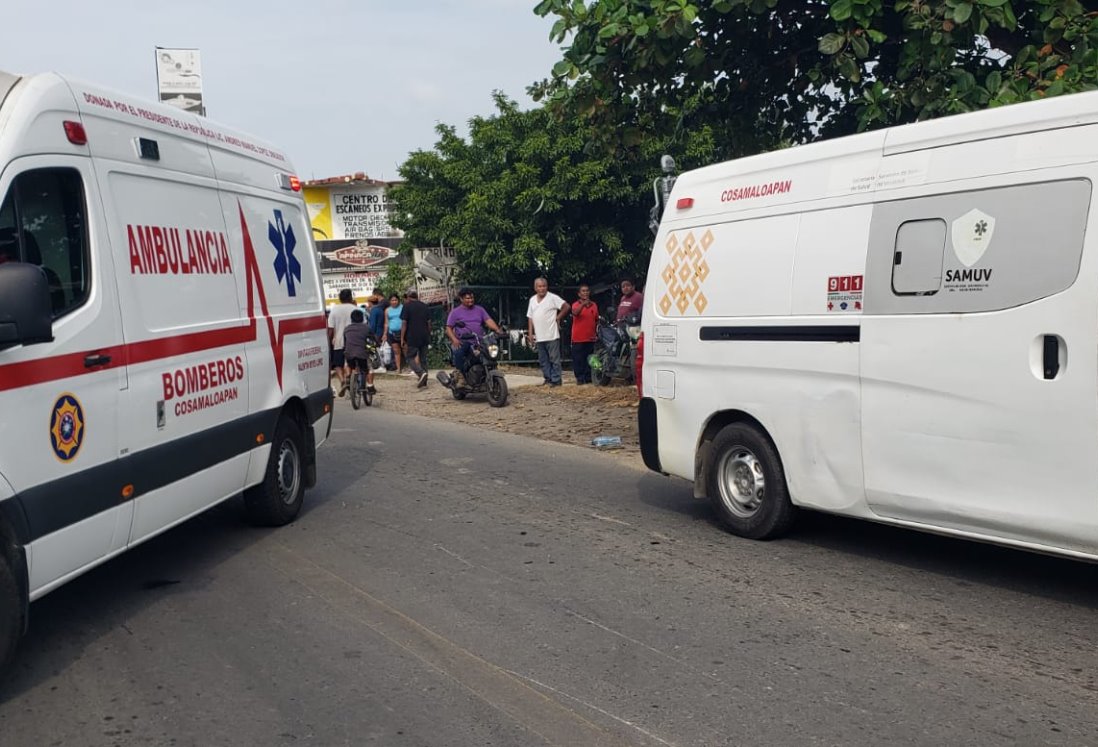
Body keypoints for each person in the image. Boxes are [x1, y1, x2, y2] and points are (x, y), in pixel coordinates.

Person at [446, 288, 503, 384]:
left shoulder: (479, 310)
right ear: (461, 299)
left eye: (472, 298)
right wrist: (454, 339)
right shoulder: (455, 312)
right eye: (467, 298)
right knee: (459, 352)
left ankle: (487, 374)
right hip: (464, 341)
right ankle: (460, 375)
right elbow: (448, 328)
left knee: (490, 353)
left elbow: (488, 320)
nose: (470, 300)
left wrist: (498, 330)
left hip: (479, 341)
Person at [526, 277, 568, 387]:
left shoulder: (552, 298)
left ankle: (556, 380)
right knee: (543, 360)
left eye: (544, 286)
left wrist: (558, 317)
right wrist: (530, 333)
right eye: (539, 286)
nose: (542, 288)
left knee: (554, 358)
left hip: (551, 334)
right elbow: (530, 317)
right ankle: (548, 378)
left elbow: (566, 306)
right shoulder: (532, 300)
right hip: (539, 335)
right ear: (535, 288)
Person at [327, 288, 357, 396]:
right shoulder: (354, 309)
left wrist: (328, 341)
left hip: (338, 341)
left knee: (337, 364)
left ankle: (342, 380)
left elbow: (330, 328)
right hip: (353, 341)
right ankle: (348, 376)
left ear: (340, 298)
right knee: (350, 362)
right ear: (350, 298)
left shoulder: (334, 310)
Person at [400, 289, 431, 388]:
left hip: (412, 336)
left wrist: (402, 338)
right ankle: (424, 380)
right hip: (424, 335)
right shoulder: (424, 306)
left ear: (409, 297)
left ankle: (421, 373)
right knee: (423, 358)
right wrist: (428, 333)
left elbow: (404, 323)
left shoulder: (407, 306)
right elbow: (429, 323)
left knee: (409, 357)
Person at [342, 309, 376, 396]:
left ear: (351, 319)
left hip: (349, 353)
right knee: (369, 369)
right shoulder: (366, 328)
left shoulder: (347, 328)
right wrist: (376, 345)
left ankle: (348, 377)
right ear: (362, 318)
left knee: (347, 364)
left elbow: (345, 342)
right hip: (362, 354)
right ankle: (370, 385)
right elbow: (373, 339)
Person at [570, 283, 599, 384]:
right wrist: (583, 304)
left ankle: (588, 377)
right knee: (578, 359)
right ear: (579, 294)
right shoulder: (575, 304)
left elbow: (596, 319)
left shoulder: (594, 305)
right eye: (583, 291)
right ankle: (579, 378)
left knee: (589, 358)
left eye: (587, 290)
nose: (585, 293)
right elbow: (575, 313)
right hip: (578, 337)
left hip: (590, 337)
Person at [385, 294, 404, 373]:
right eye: (392, 300)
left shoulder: (403, 307)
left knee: (406, 349)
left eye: (395, 300)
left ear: (398, 300)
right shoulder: (387, 310)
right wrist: (384, 334)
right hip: (392, 333)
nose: (394, 302)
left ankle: (411, 367)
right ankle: (398, 368)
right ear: (390, 301)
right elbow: (386, 323)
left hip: (403, 332)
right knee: (396, 351)